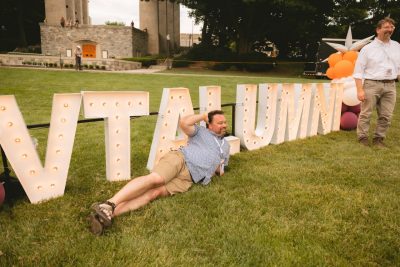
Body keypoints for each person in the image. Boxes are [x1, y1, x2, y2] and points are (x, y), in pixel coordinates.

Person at [88, 110, 231, 235]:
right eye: (220, 123)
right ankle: (110, 203)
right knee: (155, 180)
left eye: (225, 122)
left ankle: (105, 216)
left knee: (153, 194)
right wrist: (203, 115)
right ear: (209, 124)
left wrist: (215, 168)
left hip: (189, 179)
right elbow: (184, 123)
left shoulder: (226, 145)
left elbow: (221, 167)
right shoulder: (200, 132)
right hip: (181, 159)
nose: (224, 125)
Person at [353, 17, 400, 147]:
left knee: (386, 115)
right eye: (386, 27)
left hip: (391, 85)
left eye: (392, 28)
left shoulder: (397, 46)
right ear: (378, 30)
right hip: (371, 84)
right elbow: (358, 71)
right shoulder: (367, 49)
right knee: (366, 113)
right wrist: (359, 90)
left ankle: (379, 139)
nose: (389, 30)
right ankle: (362, 138)